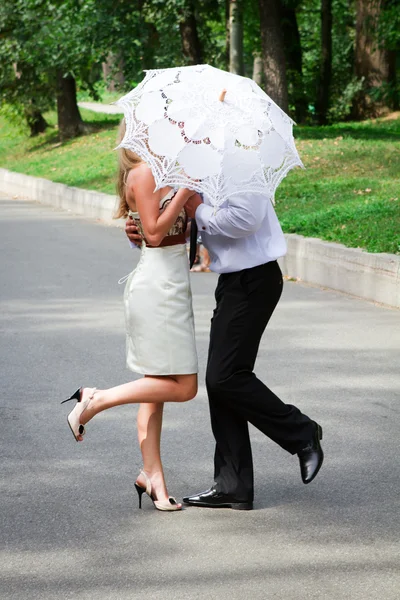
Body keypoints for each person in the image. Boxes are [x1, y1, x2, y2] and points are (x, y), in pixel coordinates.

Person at [126, 189, 324, 510]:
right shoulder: (207, 163)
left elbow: (246, 219)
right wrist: (142, 232)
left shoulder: (240, 156)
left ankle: (301, 432)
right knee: (221, 382)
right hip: (233, 282)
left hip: (254, 279)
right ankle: (233, 485)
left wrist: (197, 207)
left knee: (224, 377)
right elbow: (197, 228)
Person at [62, 120, 199, 511]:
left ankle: (152, 476)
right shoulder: (143, 173)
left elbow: (162, 226)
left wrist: (185, 187)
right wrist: (185, 189)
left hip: (170, 286)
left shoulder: (161, 174)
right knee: (184, 387)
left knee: (156, 387)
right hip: (158, 290)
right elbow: (154, 233)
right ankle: (96, 399)